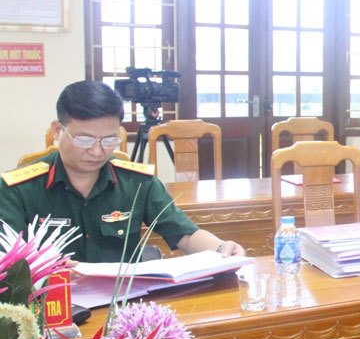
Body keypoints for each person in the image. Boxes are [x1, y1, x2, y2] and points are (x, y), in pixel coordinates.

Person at [0, 80, 246, 263]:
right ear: (58, 130)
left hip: (123, 304)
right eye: (85, 140)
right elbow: (8, 263)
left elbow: (186, 235)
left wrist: (222, 248)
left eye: (109, 140)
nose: (97, 151)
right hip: (51, 305)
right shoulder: (18, 189)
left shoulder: (137, 182)